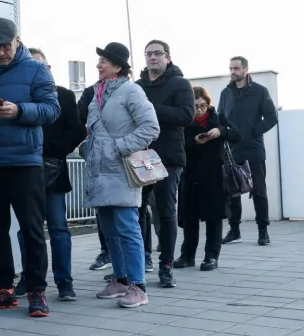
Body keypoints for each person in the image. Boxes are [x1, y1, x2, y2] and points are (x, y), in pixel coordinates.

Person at [0, 19, 60, 318]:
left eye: (6, 46)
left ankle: (36, 291)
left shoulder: (36, 70)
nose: (1, 53)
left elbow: (52, 109)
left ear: (17, 40)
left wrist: (19, 111)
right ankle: (4, 289)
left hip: (25, 162)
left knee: (31, 229)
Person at [80, 42, 159, 308]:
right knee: (110, 230)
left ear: (117, 66)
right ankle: (121, 280)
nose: (98, 64)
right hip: (100, 171)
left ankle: (139, 286)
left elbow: (151, 127)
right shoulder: (98, 92)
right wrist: (88, 148)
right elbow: (94, 131)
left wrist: (118, 147)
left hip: (121, 170)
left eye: (103, 60)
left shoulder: (131, 91)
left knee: (127, 228)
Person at [14, 47, 86, 302]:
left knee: (58, 227)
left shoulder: (64, 96)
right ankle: (28, 277)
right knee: (26, 229)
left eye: (39, 66)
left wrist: (55, 150)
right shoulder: (20, 95)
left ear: (48, 69)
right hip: (23, 171)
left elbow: (78, 131)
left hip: (54, 172)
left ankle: (64, 281)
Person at [135, 40, 194, 288]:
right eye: (148, 54)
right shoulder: (137, 86)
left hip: (168, 157)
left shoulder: (180, 84)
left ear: (168, 57)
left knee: (166, 211)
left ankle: (166, 265)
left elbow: (186, 116)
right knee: (136, 210)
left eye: (158, 53)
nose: (152, 58)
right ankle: (141, 260)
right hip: (140, 156)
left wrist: (151, 109)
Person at [175, 86, 240, 271]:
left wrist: (221, 131)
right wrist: (195, 141)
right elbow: (178, 145)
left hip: (214, 177)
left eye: (203, 105)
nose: (200, 110)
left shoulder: (217, 118)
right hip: (190, 175)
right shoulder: (184, 121)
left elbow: (238, 135)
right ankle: (187, 255)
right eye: (196, 106)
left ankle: (211, 256)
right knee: (189, 217)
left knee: (213, 217)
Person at [219, 56, 278, 246]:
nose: (233, 72)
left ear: (245, 69)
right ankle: (234, 231)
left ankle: (263, 231)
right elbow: (221, 117)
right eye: (231, 68)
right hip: (232, 149)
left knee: (259, 190)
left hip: (254, 148)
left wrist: (253, 131)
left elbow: (271, 117)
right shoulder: (226, 92)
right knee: (232, 191)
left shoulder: (260, 91)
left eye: (236, 68)